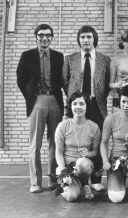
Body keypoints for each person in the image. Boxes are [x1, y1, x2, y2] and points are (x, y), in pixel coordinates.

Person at [16, 24, 64, 193]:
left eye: (48, 35)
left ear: (52, 37)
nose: (45, 38)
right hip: (37, 100)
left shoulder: (59, 56)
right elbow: (20, 80)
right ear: (36, 37)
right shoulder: (27, 55)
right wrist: (32, 97)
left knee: (55, 142)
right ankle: (35, 182)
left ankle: (52, 180)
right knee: (35, 143)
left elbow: (63, 80)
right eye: (41, 35)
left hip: (55, 101)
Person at [62, 25, 111, 192]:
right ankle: (74, 176)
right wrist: (75, 100)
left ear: (94, 39)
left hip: (97, 104)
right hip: (77, 104)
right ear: (79, 40)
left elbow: (107, 83)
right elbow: (65, 81)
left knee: (97, 141)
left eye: (89, 37)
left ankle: (96, 179)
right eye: (82, 38)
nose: (85, 40)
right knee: (76, 139)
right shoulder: (70, 59)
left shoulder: (105, 60)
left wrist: (97, 95)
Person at [55, 91, 101, 201]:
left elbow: (96, 153)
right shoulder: (62, 126)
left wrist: (88, 153)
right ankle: (70, 183)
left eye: (81, 104)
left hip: (84, 166)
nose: (78, 107)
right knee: (71, 197)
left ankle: (85, 184)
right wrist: (63, 171)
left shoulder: (94, 127)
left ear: (87, 106)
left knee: (81, 163)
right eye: (75, 104)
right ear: (70, 106)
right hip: (67, 168)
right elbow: (58, 152)